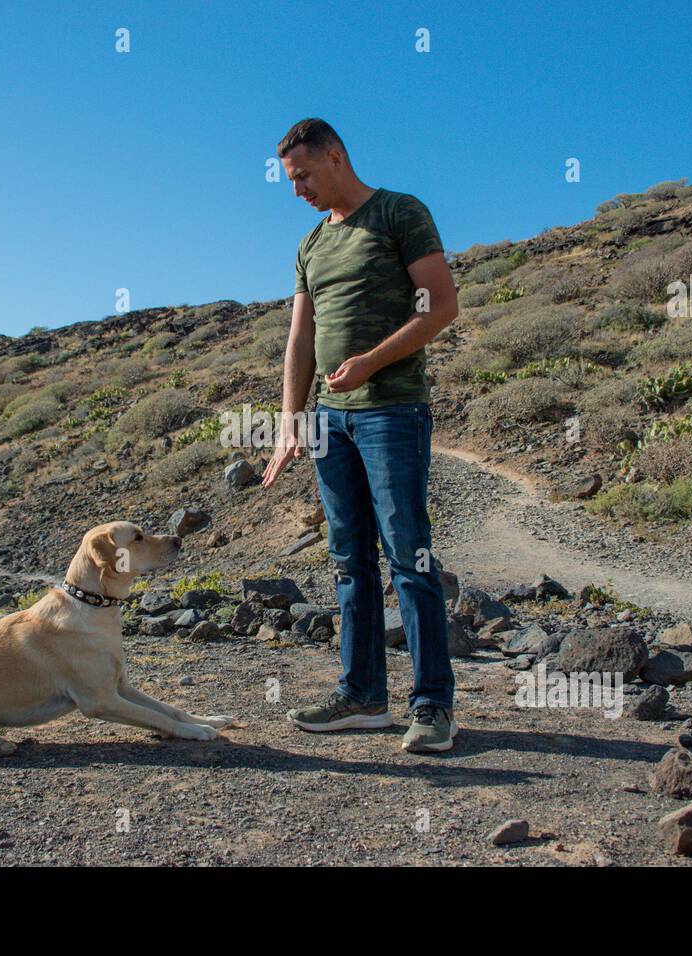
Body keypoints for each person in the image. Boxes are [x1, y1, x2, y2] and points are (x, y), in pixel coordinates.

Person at [262, 118, 460, 753]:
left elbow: (440, 303)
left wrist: (372, 362)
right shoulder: (310, 244)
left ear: (336, 156)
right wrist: (292, 419)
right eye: (290, 182)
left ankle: (432, 706)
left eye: (303, 177)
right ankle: (363, 697)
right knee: (349, 559)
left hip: (391, 413)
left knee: (409, 556)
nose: (297, 191)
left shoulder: (400, 212)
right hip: (328, 421)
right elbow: (300, 338)